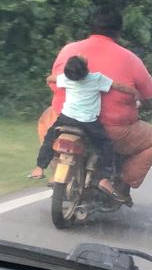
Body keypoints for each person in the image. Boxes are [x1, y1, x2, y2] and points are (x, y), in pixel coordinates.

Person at [38, 5, 152, 201]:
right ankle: (120, 184)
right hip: (115, 130)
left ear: (91, 27)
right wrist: (144, 103)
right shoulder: (130, 59)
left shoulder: (69, 50)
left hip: (64, 121)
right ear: (118, 32)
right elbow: (148, 97)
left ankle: (56, 166)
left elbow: (55, 85)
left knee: (47, 117)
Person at [30, 55, 139, 203]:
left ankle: (39, 168)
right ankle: (104, 178)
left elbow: (50, 79)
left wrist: (52, 79)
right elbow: (119, 87)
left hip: (66, 118)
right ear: (86, 69)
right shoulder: (96, 79)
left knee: (50, 138)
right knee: (106, 146)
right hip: (88, 122)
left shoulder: (67, 79)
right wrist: (134, 92)